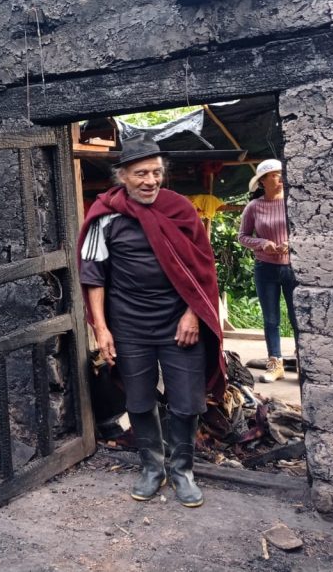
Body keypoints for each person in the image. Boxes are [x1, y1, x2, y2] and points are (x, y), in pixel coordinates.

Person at [77, 136, 226, 508]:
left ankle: (183, 471)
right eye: (141, 173)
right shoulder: (105, 214)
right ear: (123, 176)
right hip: (129, 324)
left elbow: (202, 269)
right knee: (139, 399)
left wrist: (193, 313)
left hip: (180, 322)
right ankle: (151, 467)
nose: (150, 181)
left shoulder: (181, 210)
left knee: (187, 400)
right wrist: (101, 328)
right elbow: (93, 275)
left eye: (156, 173)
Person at [238, 158, 297, 383]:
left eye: (281, 173)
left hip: (292, 268)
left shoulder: (292, 202)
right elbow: (242, 236)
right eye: (273, 175)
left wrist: (291, 243)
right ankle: (276, 364)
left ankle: (304, 361)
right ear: (263, 181)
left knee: (297, 317)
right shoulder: (254, 206)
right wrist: (262, 243)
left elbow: (304, 231)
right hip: (265, 268)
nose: (279, 178)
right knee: (271, 318)